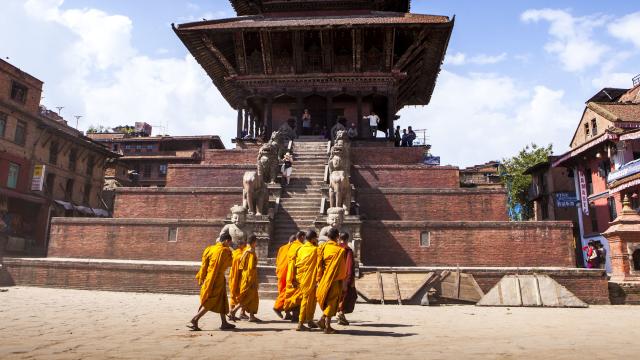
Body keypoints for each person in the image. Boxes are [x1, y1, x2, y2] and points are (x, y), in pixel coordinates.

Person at [188, 232, 235, 331]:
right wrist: (232, 251)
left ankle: (224, 323)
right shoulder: (225, 251)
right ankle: (195, 319)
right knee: (211, 300)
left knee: (222, 299)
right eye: (229, 243)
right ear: (226, 241)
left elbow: (204, 265)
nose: (229, 245)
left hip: (209, 277)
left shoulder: (209, 249)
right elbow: (230, 263)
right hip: (217, 279)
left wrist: (202, 277)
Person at [284, 229, 320, 331]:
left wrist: (294, 279)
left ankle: (309, 319)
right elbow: (319, 265)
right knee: (306, 300)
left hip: (301, 278)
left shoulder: (300, 249)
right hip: (310, 278)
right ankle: (300, 323)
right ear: (313, 239)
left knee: (312, 300)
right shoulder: (315, 250)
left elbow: (294, 265)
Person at [316, 228, 347, 334]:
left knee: (328, 301)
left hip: (324, 278)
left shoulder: (322, 247)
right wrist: (343, 281)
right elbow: (342, 268)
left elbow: (319, 265)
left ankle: (324, 321)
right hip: (335, 279)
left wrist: (319, 278)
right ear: (337, 237)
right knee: (332, 301)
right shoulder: (340, 251)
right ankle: (326, 324)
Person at [229, 235, 261, 322]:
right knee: (248, 297)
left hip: (245, 276)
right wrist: (252, 280)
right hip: (249, 277)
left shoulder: (245, 250)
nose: (256, 244)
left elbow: (241, 265)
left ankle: (251, 316)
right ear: (254, 242)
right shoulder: (250, 251)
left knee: (252, 297)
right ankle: (234, 311)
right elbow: (250, 267)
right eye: (256, 242)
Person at [282, 231, 306, 322]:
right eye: (304, 238)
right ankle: (296, 316)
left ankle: (290, 314)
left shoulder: (291, 246)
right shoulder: (300, 247)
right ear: (301, 237)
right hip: (296, 275)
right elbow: (299, 262)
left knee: (291, 296)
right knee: (298, 297)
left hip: (290, 274)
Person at [273, 235, 296, 319]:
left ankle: (287, 313)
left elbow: (278, 260)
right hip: (287, 273)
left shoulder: (281, 248)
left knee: (283, 292)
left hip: (280, 272)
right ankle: (277, 307)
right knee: (287, 292)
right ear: (293, 242)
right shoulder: (293, 248)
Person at [337, 232, 357, 326]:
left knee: (338, 297)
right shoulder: (347, 250)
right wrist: (350, 279)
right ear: (347, 239)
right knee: (349, 296)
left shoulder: (335, 248)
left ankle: (340, 315)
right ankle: (341, 314)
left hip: (335, 277)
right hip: (345, 278)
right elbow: (350, 265)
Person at [228, 237, 248, 321]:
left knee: (233, 294)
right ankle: (234, 312)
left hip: (233, 277)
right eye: (244, 245)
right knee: (243, 295)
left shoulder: (234, 253)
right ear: (241, 245)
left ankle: (236, 312)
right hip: (239, 277)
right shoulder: (240, 254)